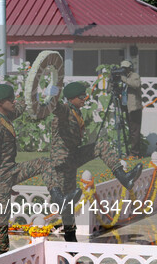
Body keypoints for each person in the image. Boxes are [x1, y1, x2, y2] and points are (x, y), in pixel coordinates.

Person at [0, 83, 77, 255]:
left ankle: (58, 197)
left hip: (12, 170)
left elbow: (20, 107)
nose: (13, 101)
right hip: (0, 178)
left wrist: (36, 93)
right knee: (2, 221)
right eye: (10, 100)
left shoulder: (6, 116)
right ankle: (0, 257)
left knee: (45, 162)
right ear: (0, 103)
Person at [49, 81, 143, 242]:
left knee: (102, 145)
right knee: (67, 207)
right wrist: (53, 90)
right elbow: (54, 105)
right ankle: (71, 242)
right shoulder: (65, 110)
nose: (85, 98)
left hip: (72, 157)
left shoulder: (75, 111)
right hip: (62, 162)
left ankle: (124, 177)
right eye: (81, 96)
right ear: (71, 98)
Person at [120, 60, 143, 157]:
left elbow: (136, 85)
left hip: (134, 108)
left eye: (125, 68)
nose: (124, 70)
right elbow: (110, 90)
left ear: (130, 68)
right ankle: (130, 152)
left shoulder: (134, 76)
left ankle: (135, 153)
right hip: (125, 107)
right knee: (130, 131)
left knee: (134, 131)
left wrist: (124, 79)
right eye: (122, 68)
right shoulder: (122, 77)